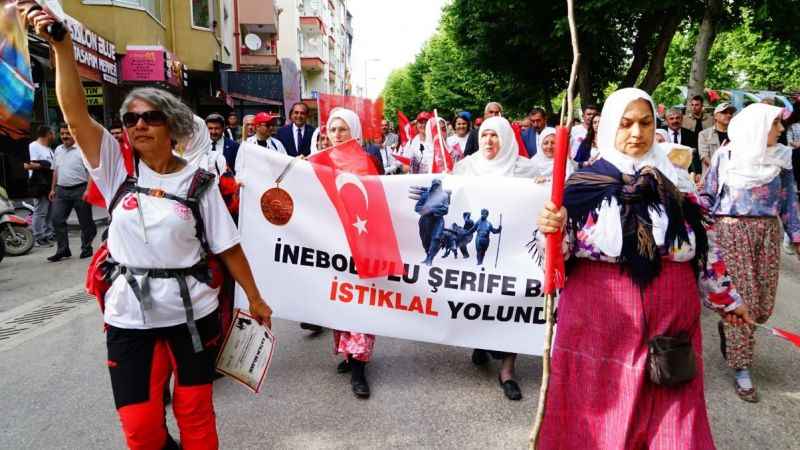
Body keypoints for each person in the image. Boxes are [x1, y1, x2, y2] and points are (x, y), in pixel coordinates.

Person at [24, 8, 273, 449]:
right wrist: (62, 47)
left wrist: (256, 299)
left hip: (191, 316)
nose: (138, 124)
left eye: (150, 117)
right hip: (127, 319)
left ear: (172, 126)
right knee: (141, 427)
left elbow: (229, 248)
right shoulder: (115, 170)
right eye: (130, 118)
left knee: (196, 417)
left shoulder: (200, 183)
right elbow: (75, 114)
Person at [535, 88, 751, 449]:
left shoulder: (678, 184)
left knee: (670, 413)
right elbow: (559, 257)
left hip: (670, 318)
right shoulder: (580, 186)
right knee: (598, 410)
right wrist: (551, 230)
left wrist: (728, 300)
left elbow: (705, 250)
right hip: (598, 318)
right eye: (626, 123)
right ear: (608, 129)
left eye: (645, 123)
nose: (637, 133)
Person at [701, 103, 800, 403]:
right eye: (776, 125)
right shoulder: (726, 156)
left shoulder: (782, 159)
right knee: (745, 298)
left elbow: (789, 201)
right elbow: (708, 193)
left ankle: (731, 334)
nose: (781, 130)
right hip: (732, 231)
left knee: (764, 303)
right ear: (757, 127)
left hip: (768, 233)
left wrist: (796, 236)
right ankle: (742, 367)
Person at [454, 116, 539, 401]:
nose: (489, 141)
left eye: (495, 136)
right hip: (480, 251)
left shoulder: (524, 169)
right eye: (485, 135)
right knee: (479, 298)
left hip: (512, 252)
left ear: (506, 138)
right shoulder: (467, 167)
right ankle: (480, 340)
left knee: (512, 304)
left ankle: (507, 370)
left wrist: (542, 185)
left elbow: (544, 195)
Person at [326, 107, 384, 398]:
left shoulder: (366, 161)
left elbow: (380, 201)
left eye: (343, 129)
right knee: (339, 303)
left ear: (354, 131)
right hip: (329, 245)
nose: (337, 135)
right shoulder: (318, 162)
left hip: (361, 244)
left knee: (359, 304)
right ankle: (348, 356)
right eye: (333, 129)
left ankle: (360, 368)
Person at [48, 124, 96, 261]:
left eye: (67, 133)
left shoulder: (83, 150)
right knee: (56, 219)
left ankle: (86, 247)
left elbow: (92, 172)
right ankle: (63, 250)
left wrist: (88, 189)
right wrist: (52, 189)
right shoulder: (58, 150)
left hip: (80, 189)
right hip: (61, 190)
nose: (64, 136)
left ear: (74, 134)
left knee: (85, 222)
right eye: (62, 134)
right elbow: (55, 171)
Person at [24, 125, 55, 246]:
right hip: (39, 183)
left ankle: (48, 233)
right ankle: (39, 236)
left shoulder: (48, 148)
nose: (54, 135)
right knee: (41, 211)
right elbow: (28, 164)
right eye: (52, 133)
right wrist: (44, 165)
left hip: (49, 183)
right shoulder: (33, 146)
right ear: (48, 134)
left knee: (50, 211)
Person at [663, 107, 701, 175]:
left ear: (682, 119)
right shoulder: (660, 134)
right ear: (666, 121)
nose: (675, 121)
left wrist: (698, 172)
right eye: (671, 118)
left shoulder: (691, 135)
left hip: (686, 173)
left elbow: (695, 156)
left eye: (678, 118)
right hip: (665, 172)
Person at [698, 102, 736, 169]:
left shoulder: (736, 134)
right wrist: (717, 169)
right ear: (715, 116)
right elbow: (704, 156)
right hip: (712, 175)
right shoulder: (704, 134)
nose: (729, 115)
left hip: (732, 174)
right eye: (724, 112)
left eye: (730, 113)